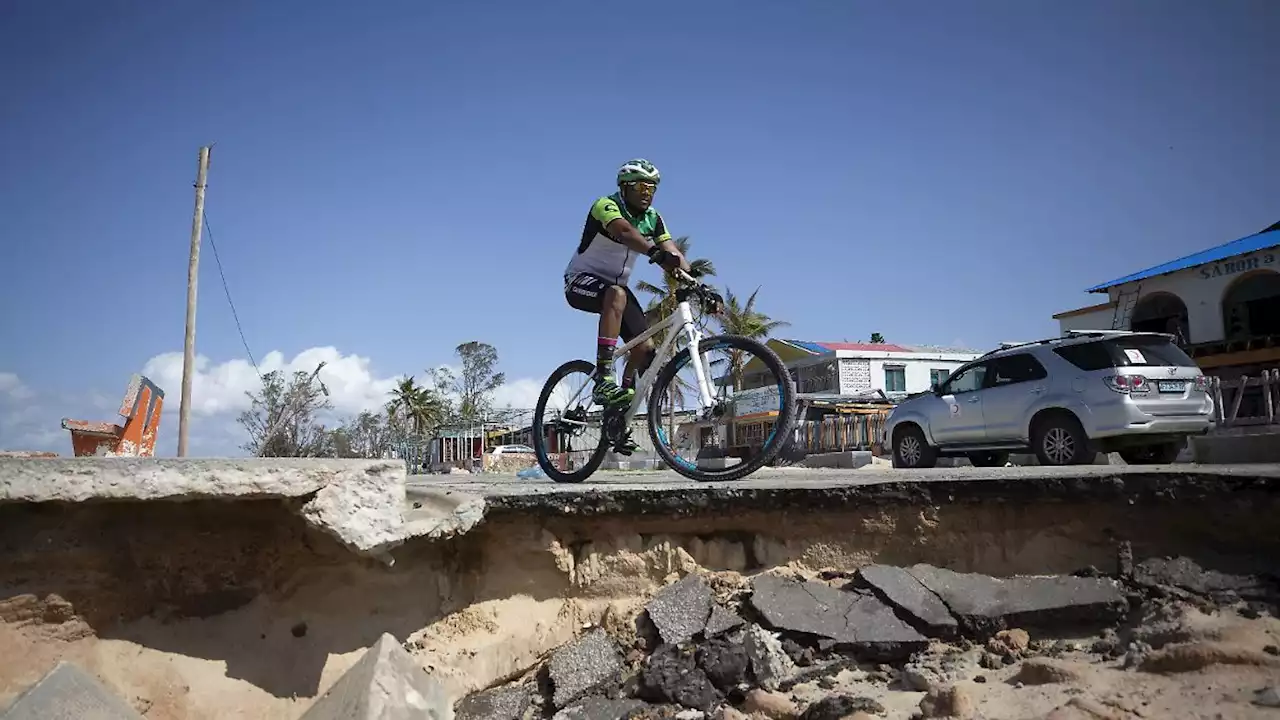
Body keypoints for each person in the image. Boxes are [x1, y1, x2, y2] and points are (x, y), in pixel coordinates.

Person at [563, 158, 691, 452]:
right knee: (616, 294)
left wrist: (696, 281)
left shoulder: (654, 219)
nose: (648, 192)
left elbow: (673, 252)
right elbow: (623, 232)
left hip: (617, 288)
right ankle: (604, 377)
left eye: (653, 187)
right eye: (641, 186)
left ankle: (617, 418)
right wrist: (653, 252)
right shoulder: (606, 205)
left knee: (644, 348)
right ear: (624, 187)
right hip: (581, 280)